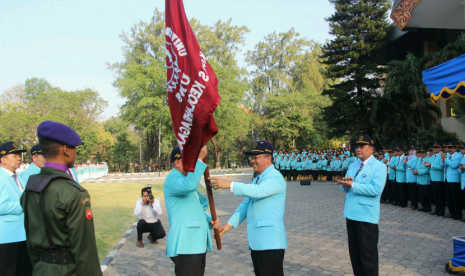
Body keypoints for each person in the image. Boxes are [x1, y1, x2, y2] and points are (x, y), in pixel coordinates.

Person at [20, 121, 102, 275]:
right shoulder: (75, 193)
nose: (75, 152)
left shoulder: (30, 189)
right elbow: (85, 250)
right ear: (66, 149)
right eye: (74, 148)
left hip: (41, 269)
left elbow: (30, 241)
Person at [211, 141, 287, 276]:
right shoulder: (259, 178)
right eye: (252, 158)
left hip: (270, 243)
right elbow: (247, 203)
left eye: (256, 157)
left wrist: (230, 185)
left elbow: (259, 191)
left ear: (268, 158)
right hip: (258, 242)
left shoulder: (275, 176)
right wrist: (229, 224)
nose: (252, 161)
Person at [163, 146, 220, 276]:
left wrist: (209, 220)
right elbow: (189, 185)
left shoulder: (185, 180)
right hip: (186, 244)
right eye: (190, 160)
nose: (193, 163)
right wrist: (199, 159)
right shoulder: (172, 179)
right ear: (177, 162)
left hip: (195, 243)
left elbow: (193, 209)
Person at [338, 135, 386, 276]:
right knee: (355, 254)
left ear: (371, 149)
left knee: (368, 256)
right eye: (357, 146)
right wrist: (346, 185)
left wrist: (353, 185)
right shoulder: (354, 165)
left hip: (366, 216)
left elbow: (376, 190)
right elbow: (346, 187)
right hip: (351, 213)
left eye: (362, 146)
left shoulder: (379, 167)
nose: (358, 149)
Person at [0, 142, 33, 276]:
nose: (19, 158)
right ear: (3, 159)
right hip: (7, 237)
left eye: (19, 155)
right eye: (14, 155)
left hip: (23, 235)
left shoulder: (18, 177)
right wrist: (25, 205)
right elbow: (1, 206)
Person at [442, 141, 463, 220]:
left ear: (455, 148)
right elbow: (444, 165)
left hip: (454, 180)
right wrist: (443, 160)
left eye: (451, 148)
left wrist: (445, 159)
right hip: (447, 178)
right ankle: (452, 213)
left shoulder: (458, 156)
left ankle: (458, 214)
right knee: (449, 197)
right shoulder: (447, 155)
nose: (449, 149)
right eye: (449, 148)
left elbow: (454, 165)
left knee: (456, 198)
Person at [425, 142, 446, 216]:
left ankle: (441, 210)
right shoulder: (433, 156)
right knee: (435, 195)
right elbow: (429, 165)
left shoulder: (442, 156)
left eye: (436, 148)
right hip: (432, 178)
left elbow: (441, 167)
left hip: (438, 179)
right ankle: (437, 209)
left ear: (440, 148)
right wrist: (427, 165)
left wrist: (431, 165)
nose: (434, 149)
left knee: (440, 196)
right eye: (434, 148)